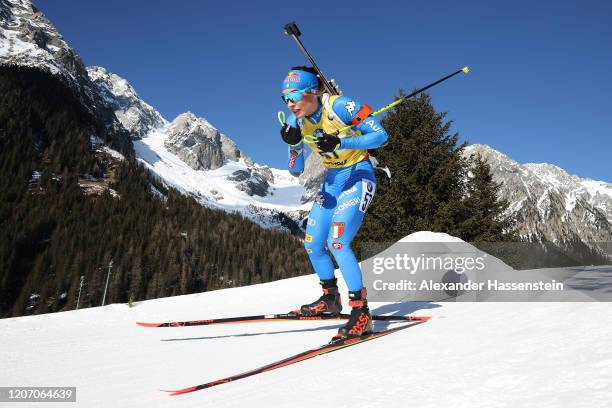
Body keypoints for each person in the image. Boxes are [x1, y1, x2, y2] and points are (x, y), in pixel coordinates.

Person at [280, 66, 389, 341]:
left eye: (294, 95)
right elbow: (295, 169)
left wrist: (340, 141)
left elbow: (380, 136)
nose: (290, 103)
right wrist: (292, 146)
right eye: (285, 98)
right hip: (332, 182)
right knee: (313, 244)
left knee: (337, 242)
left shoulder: (341, 106)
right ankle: (330, 299)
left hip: (359, 174)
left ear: (312, 92)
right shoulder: (297, 121)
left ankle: (361, 312)